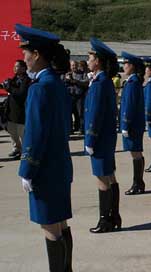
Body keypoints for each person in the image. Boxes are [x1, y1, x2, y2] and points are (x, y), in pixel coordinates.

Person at [15, 23, 74, 271]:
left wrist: (27, 169)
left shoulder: (40, 88)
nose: (24, 59)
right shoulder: (56, 84)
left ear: (36, 54)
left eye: (25, 53)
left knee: (49, 226)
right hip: (59, 165)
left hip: (44, 169)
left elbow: (35, 134)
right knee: (60, 223)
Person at [85, 37, 121, 233]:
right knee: (109, 176)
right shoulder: (103, 81)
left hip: (99, 138)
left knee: (102, 179)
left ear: (97, 60)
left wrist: (89, 139)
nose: (88, 61)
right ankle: (114, 216)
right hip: (106, 137)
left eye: (90, 57)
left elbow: (95, 114)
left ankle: (105, 220)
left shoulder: (99, 83)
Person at [120, 52, 146, 195]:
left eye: (126, 64)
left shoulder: (132, 83)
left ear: (132, 66)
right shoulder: (133, 81)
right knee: (136, 153)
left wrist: (125, 124)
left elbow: (129, 106)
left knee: (135, 153)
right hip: (135, 123)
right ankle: (139, 182)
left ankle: (137, 183)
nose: (124, 67)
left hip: (132, 124)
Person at [3, 60, 31, 159]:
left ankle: (25, 151)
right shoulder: (14, 79)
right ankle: (17, 149)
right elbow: (9, 88)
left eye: (17, 66)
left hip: (21, 111)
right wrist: (5, 85)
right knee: (12, 132)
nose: (15, 68)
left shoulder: (27, 80)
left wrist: (9, 87)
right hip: (11, 111)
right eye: (14, 66)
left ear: (23, 68)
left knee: (21, 133)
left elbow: (21, 94)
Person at [64, 60, 89, 134]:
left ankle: (81, 128)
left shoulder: (82, 74)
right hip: (70, 96)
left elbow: (86, 83)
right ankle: (70, 129)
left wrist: (75, 81)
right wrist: (67, 80)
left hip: (79, 96)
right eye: (72, 65)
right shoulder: (67, 74)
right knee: (69, 113)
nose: (74, 67)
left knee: (80, 113)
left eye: (75, 65)